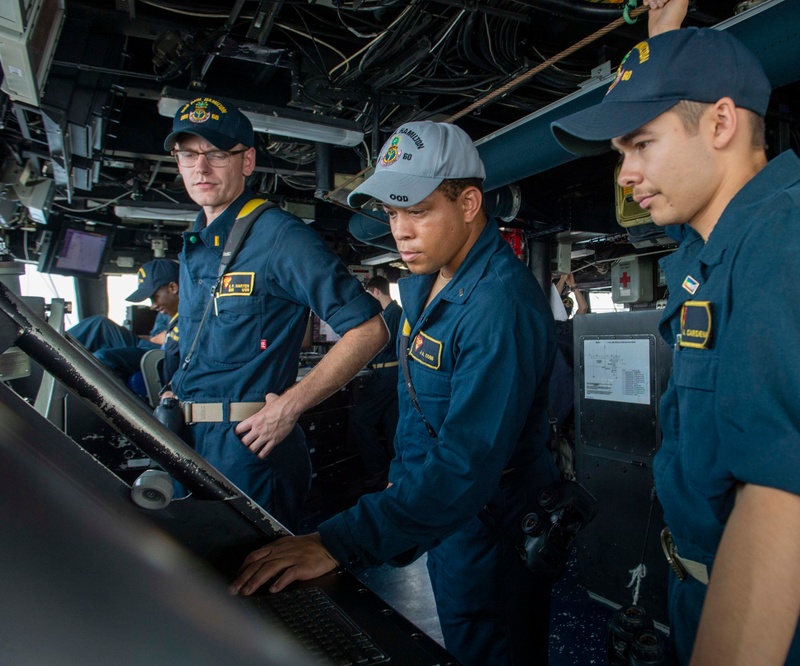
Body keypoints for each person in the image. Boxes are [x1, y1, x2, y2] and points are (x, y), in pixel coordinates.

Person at [550, 2, 800, 663]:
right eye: (621, 150)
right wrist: (665, 50)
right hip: (704, 589)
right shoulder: (723, 237)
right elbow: (691, 167)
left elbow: (777, 503)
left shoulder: (796, 236)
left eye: (640, 144)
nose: (623, 174)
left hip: (788, 621)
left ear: (722, 122)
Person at [229, 120, 560, 666]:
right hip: (444, 514)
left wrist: (338, 541)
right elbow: (422, 406)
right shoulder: (429, 284)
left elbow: (465, 463)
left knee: (491, 647)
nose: (400, 231)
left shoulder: (498, 307)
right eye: (391, 213)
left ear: (470, 202)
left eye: (419, 210)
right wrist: (403, 476)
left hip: (490, 526)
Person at [162, 97, 388, 530]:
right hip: (185, 440)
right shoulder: (196, 242)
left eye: (216, 154)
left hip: (249, 449)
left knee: (241, 589)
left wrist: (289, 408)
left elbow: (369, 330)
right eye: (188, 154)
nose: (201, 168)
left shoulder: (281, 237)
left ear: (247, 161)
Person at [67, 258, 179, 384]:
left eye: (155, 297)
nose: (153, 306)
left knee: (102, 357)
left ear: (173, 287)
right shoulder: (169, 308)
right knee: (99, 323)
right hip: (148, 344)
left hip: (160, 354)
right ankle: (49, 351)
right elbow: (154, 338)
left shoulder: (192, 311)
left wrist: (163, 337)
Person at [347, 275, 402, 486]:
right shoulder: (390, 314)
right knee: (391, 425)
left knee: (360, 419)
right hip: (388, 376)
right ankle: (392, 473)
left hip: (386, 376)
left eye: (369, 294)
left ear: (377, 291)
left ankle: (378, 469)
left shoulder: (393, 314)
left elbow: (378, 344)